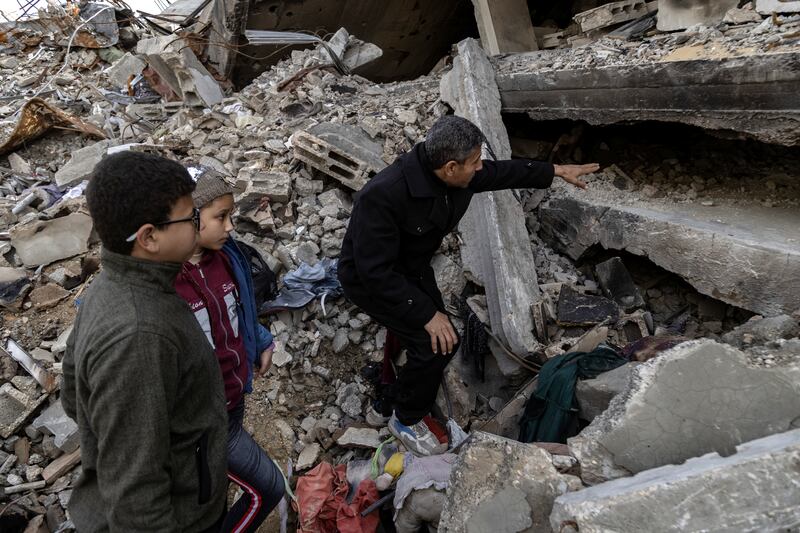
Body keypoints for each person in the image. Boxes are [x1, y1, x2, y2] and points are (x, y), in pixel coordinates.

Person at [338, 115, 598, 456]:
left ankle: (392, 393)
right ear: (450, 167)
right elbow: (374, 272)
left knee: (435, 337)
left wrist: (555, 171)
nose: (480, 168)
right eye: (475, 162)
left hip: (411, 268)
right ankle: (405, 418)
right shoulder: (384, 195)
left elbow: (502, 173)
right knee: (436, 345)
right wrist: (427, 314)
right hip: (371, 280)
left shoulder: (457, 175)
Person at [62, 152, 228, 531]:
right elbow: (136, 498)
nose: (198, 224)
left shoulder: (112, 283)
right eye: (190, 217)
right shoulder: (140, 335)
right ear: (149, 237)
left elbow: (73, 395)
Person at [174, 169, 285, 533]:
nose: (230, 227)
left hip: (233, 401)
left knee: (213, 489)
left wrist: (260, 339)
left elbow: (239, 310)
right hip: (203, 421)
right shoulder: (166, 281)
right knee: (267, 488)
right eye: (220, 217)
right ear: (189, 217)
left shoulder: (226, 257)